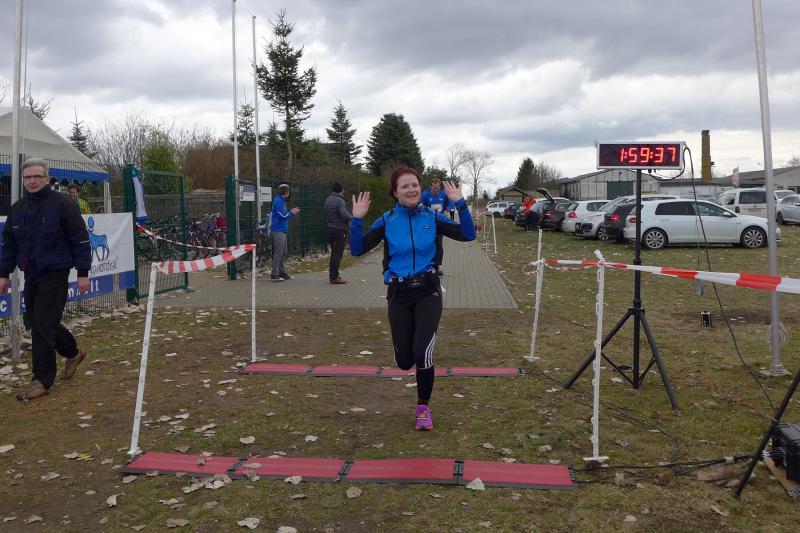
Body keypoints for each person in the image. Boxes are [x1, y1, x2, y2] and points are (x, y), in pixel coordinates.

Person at [350, 166, 475, 431]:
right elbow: (357, 249)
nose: (411, 190)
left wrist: (460, 204)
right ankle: (407, 357)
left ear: (421, 188)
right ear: (395, 192)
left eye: (415, 185)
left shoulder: (432, 216)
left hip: (428, 292)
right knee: (405, 361)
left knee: (423, 353)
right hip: (399, 294)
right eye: (405, 186)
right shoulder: (387, 220)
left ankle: (422, 408)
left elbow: (468, 234)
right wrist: (357, 219)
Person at [0, 158, 91, 401]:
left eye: (37, 176)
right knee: (38, 322)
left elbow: (80, 240)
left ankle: (41, 380)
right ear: (23, 180)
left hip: (56, 273)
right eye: (28, 177)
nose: (32, 181)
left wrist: (83, 273)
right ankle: (73, 353)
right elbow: (9, 245)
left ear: (47, 178)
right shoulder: (18, 209)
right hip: (32, 274)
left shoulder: (63, 204)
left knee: (41, 324)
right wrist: (3, 274)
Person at [421, 178, 454, 276]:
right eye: (434, 188)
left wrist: (447, 210)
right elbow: (421, 205)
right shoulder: (425, 194)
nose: (436, 190)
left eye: (438, 188)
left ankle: (439, 266)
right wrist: (426, 211)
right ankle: (429, 265)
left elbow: (449, 203)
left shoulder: (444, 194)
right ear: (431, 187)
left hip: (440, 222)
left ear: (440, 187)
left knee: (439, 244)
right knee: (429, 244)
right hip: (428, 223)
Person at [269, 183, 300, 281]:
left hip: (282, 230)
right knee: (279, 252)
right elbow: (282, 216)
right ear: (286, 192)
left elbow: (283, 214)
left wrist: (290, 212)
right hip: (278, 230)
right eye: (288, 191)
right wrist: (292, 213)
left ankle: (281, 271)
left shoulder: (281, 201)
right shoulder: (278, 201)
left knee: (284, 252)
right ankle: (274, 273)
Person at [323, 181, 352, 284]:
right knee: (337, 254)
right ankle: (334, 276)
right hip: (339, 229)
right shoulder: (340, 201)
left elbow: (325, 211)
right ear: (341, 190)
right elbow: (344, 214)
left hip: (330, 229)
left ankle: (332, 275)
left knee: (333, 253)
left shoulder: (328, 199)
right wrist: (352, 218)